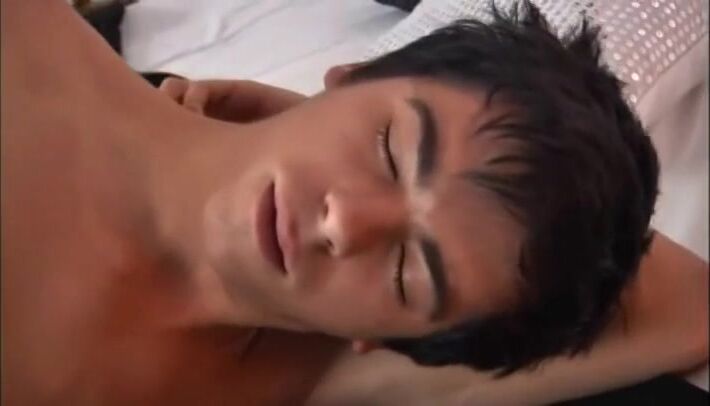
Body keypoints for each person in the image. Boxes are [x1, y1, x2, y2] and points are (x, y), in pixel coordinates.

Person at [2, 1, 707, 405]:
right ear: (352, 77)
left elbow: (687, 304)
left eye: (409, 271)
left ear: (390, 338)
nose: (345, 222)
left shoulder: (315, 372)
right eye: (390, 150)